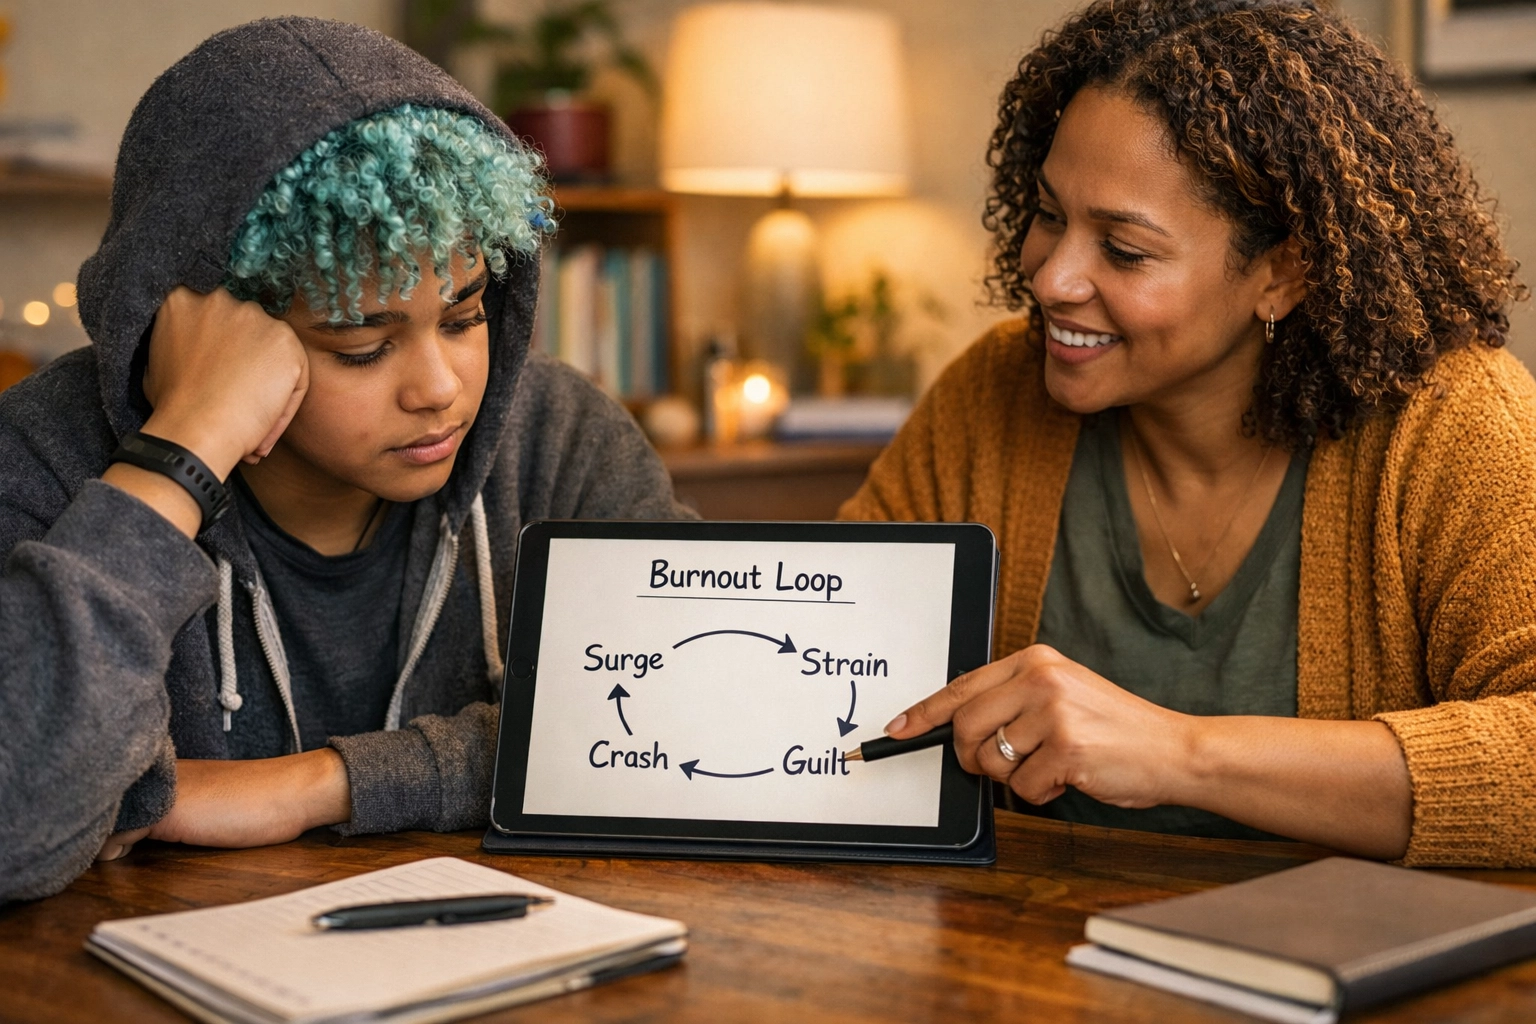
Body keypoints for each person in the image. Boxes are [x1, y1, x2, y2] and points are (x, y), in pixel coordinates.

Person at [0, 18, 687, 902]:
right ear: (213, 329)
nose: (440, 387)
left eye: (466, 315)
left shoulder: (558, 441)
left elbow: (682, 728)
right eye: (362, 345)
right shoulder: (45, 458)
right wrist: (181, 452)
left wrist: (319, 784)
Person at [842, 0, 1535, 865]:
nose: (1052, 278)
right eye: (1050, 213)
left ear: (1284, 271)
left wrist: (1176, 754)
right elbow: (841, 652)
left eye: (1124, 251)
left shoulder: (1452, 425)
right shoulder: (995, 390)